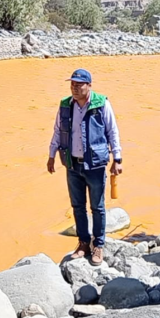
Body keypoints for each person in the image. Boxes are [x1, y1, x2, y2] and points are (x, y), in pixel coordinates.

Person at [48, 69, 123, 266]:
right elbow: (57, 130)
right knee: (77, 206)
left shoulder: (101, 103)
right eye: (72, 84)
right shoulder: (65, 105)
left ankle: (98, 245)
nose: (74, 88)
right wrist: (51, 155)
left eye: (79, 84)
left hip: (96, 165)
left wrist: (118, 158)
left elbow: (112, 131)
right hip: (72, 164)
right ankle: (83, 243)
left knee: (97, 207)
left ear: (89, 85)